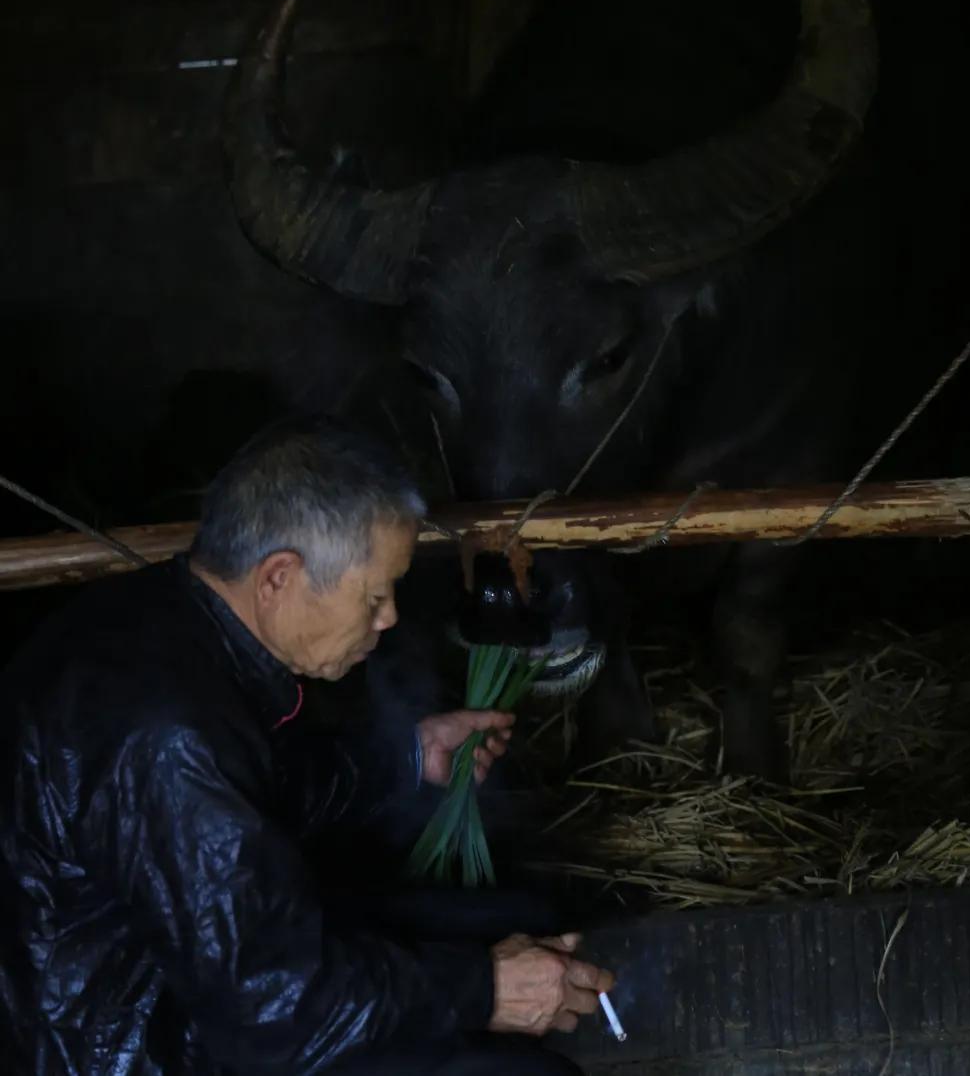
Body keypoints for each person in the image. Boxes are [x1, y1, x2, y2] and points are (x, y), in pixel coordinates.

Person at [0, 417, 614, 1074]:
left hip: (178, 967)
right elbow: (270, 1010)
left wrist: (404, 758)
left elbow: (249, 796)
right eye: (374, 594)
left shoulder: (169, 620)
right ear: (278, 578)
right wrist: (486, 990)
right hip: (128, 1038)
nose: (389, 618)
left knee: (519, 919)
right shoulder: (166, 736)